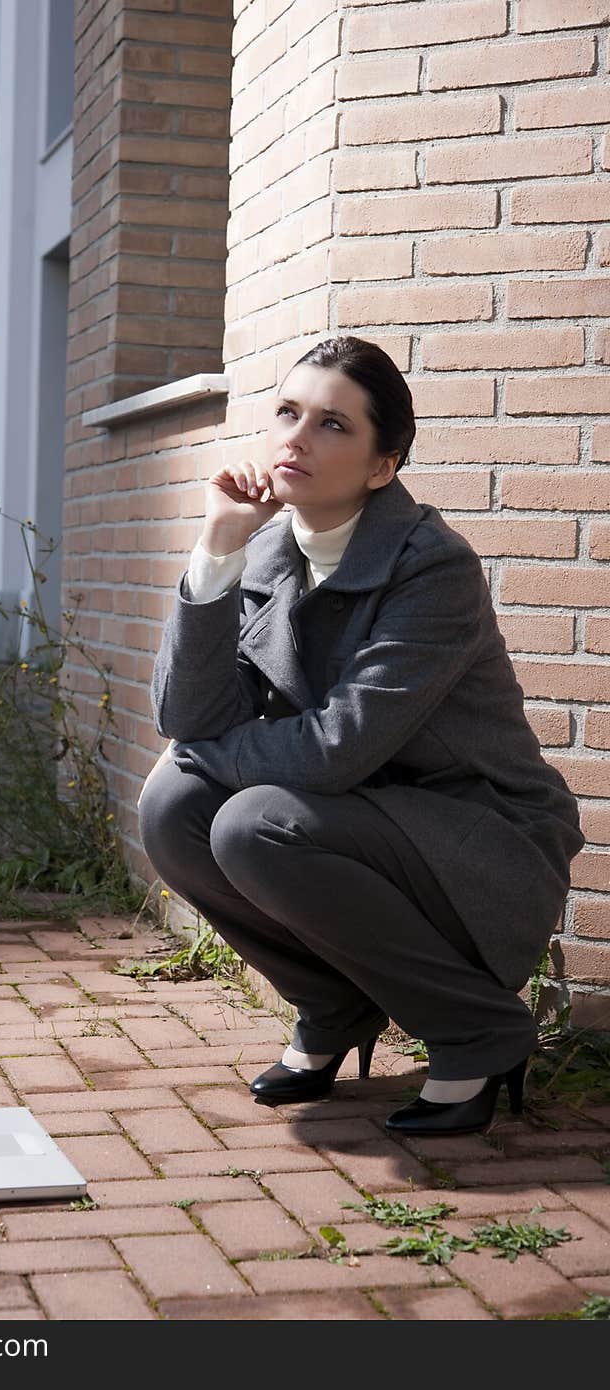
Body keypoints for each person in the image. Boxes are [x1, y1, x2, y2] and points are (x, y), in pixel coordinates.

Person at [137, 334, 585, 1136]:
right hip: (351, 822)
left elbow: (334, 749)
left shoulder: (432, 567)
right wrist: (216, 549)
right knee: (173, 805)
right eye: (287, 413)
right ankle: (333, 1004)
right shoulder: (270, 550)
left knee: (251, 822)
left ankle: (477, 1028)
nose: (296, 440)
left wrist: (209, 749)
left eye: (333, 425)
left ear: (384, 466)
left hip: (474, 840)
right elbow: (187, 716)